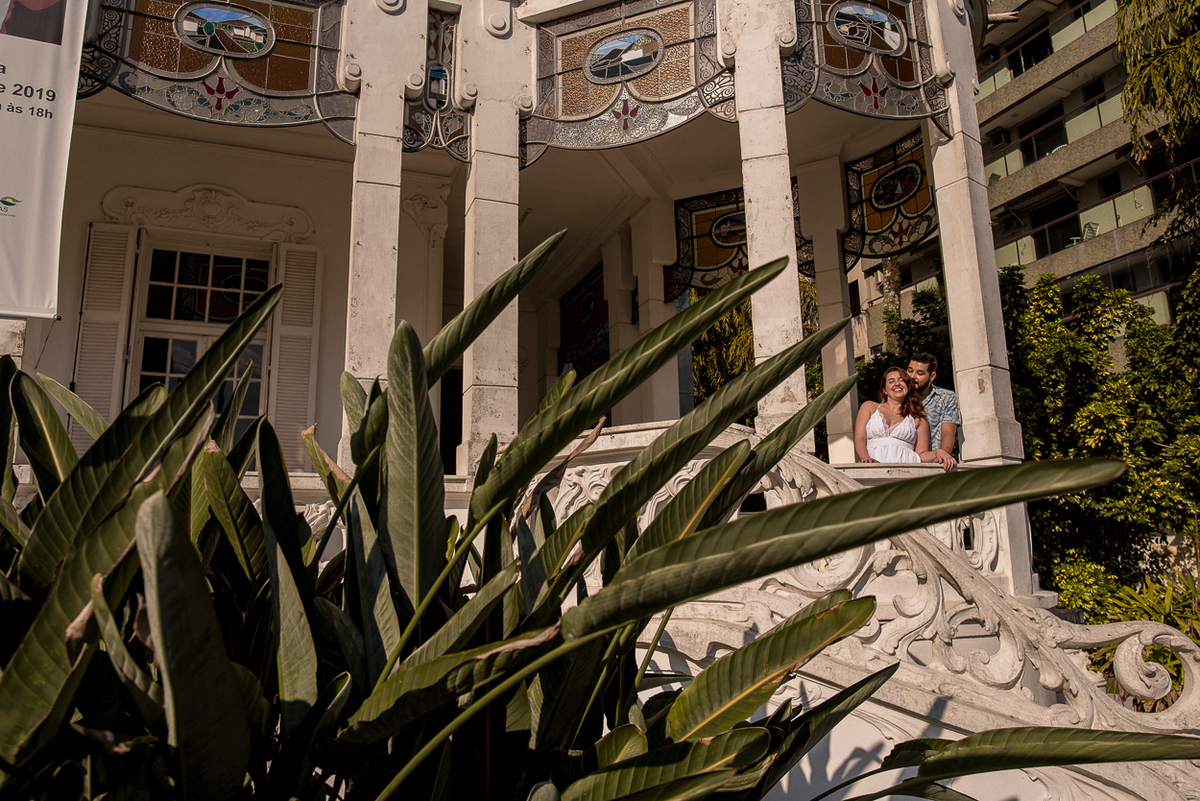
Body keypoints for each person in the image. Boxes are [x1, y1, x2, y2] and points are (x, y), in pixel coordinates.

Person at [853, 366, 955, 470]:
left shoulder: (918, 416)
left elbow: (921, 455)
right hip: (872, 468)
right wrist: (865, 458)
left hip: (905, 471)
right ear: (885, 390)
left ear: (908, 386)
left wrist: (938, 453)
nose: (897, 383)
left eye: (901, 380)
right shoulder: (869, 407)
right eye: (891, 381)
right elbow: (860, 438)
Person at [907, 352, 961, 455]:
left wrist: (942, 458)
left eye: (919, 373)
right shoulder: (896, 396)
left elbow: (948, 433)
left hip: (932, 461)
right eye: (910, 371)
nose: (912, 376)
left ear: (932, 376)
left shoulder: (946, 398)